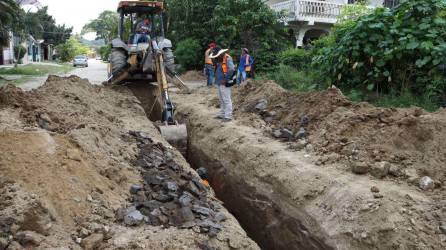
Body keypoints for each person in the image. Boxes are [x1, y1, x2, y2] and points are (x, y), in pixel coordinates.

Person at [209, 47, 235, 122]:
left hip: (224, 82)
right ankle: (222, 114)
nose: (216, 57)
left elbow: (232, 69)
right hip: (219, 82)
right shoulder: (219, 59)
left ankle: (228, 116)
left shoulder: (227, 58)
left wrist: (225, 79)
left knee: (226, 99)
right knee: (221, 99)